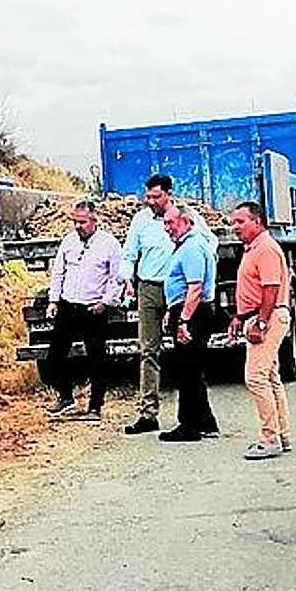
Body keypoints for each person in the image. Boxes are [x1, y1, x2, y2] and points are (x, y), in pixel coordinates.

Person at [120, 174, 217, 435]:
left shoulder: (187, 218)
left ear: (168, 194)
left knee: (187, 355)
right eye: (147, 196)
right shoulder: (140, 220)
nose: (150, 201)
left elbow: (210, 243)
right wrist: (127, 279)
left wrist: (201, 272)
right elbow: (129, 253)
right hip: (150, 288)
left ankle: (196, 417)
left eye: (155, 196)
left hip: (181, 292)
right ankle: (148, 414)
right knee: (148, 351)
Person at [44, 200, 123, 421]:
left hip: (93, 308)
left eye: (82, 222)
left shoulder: (109, 244)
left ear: (94, 220)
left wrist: (106, 302)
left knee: (96, 359)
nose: (78, 226)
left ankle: (95, 406)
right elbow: (58, 272)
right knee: (55, 356)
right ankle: (65, 397)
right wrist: (54, 301)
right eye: (75, 221)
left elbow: (115, 277)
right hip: (69, 306)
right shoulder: (68, 242)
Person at [228, 201, 292, 460]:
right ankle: (282, 433)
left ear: (257, 221)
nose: (235, 227)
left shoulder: (265, 248)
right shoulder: (253, 248)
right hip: (258, 315)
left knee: (255, 378)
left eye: (240, 222)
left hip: (269, 315)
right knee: (271, 377)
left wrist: (261, 323)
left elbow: (270, 288)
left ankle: (269, 438)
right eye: (234, 222)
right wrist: (239, 317)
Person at [157, 203, 218, 441]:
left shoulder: (192, 248)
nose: (167, 228)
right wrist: (171, 312)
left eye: (170, 223)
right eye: (165, 223)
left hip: (193, 314)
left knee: (186, 371)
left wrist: (183, 321)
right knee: (192, 369)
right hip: (186, 310)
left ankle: (189, 426)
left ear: (186, 223)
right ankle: (206, 421)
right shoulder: (186, 246)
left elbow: (195, 289)